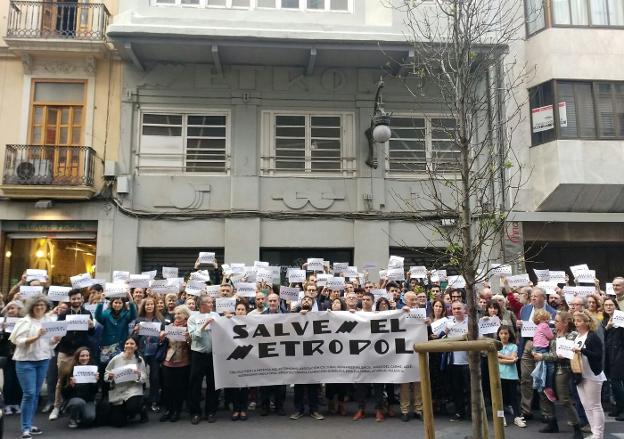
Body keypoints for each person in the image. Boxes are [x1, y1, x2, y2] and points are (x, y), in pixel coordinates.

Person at [10, 295, 61, 439]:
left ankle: (30, 424)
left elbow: (49, 343)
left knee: (35, 394)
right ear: (31, 307)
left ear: (46, 307)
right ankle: (25, 428)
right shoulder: (24, 321)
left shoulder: (49, 321)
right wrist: (36, 337)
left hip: (43, 359)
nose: (39, 307)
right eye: (37, 305)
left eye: (42, 305)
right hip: (25, 361)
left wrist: (55, 340)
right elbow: (18, 341)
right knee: (29, 394)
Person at [50, 288, 95, 421]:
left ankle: (77, 404)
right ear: (70, 300)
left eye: (78, 298)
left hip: (81, 353)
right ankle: (57, 407)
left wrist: (91, 326)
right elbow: (57, 331)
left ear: (82, 299)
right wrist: (56, 337)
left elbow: (91, 334)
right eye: (73, 299)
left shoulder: (87, 313)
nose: (76, 301)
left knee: (80, 379)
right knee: (61, 381)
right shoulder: (63, 314)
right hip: (65, 351)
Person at [535, 311, 582, 436]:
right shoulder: (553, 333)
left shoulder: (572, 335)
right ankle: (552, 423)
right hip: (549, 368)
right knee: (546, 393)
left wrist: (542, 356)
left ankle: (577, 428)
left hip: (563, 369)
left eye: (557, 321)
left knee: (564, 398)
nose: (553, 323)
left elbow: (561, 355)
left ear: (565, 323)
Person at [517, 287, 556, 421]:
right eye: (532, 296)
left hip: (543, 348)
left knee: (543, 379)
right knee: (525, 378)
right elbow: (521, 329)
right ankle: (526, 410)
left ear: (543, 298)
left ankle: (546, 412)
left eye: (536, 296)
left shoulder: (552, 312)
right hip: (528, 344)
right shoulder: (525, 309)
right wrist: (518, 325)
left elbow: (553, 333)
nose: (533, 298)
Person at [572, 309, 606, 439]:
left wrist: (582, 351)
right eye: (575, 320)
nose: (576, 323)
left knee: (595, 405)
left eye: (579, 321)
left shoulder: (592, 336)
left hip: (592, 374)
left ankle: (599, 434)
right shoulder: (577, 336)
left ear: (587, 322)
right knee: (586, 405)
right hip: (580, 374)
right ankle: (594, 432)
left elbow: (598, 355)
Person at [290, 296, 325, 421]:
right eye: (304, 300)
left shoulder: (319, 316)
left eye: (309, 300)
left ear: (313, 303)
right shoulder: (293, 316)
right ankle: (298, 410)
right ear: (300, 303)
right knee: (299, 386)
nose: (306, 301)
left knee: (313, 387)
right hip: (298, 357)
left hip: (314, 356)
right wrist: (299, 316)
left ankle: (314, 410)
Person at [352, 292, 385, 422]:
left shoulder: (379, 315)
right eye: (364, 299)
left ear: (372, 301)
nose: (365, 301)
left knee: (378, 384)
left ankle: (378, 410)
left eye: (368, 299)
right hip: (361, 355)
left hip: (376, 355)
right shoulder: (355, 315)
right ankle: (361, 409)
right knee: (361, 384)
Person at [188, 296, 220, 424]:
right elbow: (193, 337)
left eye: (212, 302)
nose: (211, 304)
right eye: (209, 302)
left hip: (214, 355)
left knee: (213, 384)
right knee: (195, 384)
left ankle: (210, 412)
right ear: (201, 305)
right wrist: (205, 325)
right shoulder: (193, 318)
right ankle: (195, 413)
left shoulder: (216, 315)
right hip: (198, 355)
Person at [105, 337, 148, 427]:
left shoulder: (139, 360)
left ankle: (141, 409)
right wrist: (110, 376)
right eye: (127, 343)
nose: (129, 345)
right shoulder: (116, 358)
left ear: (136, 347)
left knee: (132, 407)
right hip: (118, 390)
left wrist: (138, 375)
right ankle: (123, 412)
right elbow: (106, 373)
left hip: (133, 389)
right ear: (124, 346)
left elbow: (144, 377)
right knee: (118, 423)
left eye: (132, 344)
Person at [159, 305, 191, 423]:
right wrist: (161, 338)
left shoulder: (189, 328)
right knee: (167, 387)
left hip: (183, 361)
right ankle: (168, 410)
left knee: (179, 388)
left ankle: (177, 410)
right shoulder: (170, 327)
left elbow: (192, 346)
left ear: (186, 316)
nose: (177, 316)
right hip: (168, 361)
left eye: (180, 314)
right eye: (176, 314)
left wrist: (188, 338)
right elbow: (163, 344)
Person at [132, 296, 164, 413]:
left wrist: (162, 337)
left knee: (155, 378)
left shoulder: (160, 320)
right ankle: (138, 399)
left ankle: (154, 400)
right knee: (139, 376)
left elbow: (164, 338)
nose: (149, 306)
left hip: (155, 352)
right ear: (144, 307)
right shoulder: (138, 320)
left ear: (154, 306)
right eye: (147, 304)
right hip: (142, 351)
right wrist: (135, 331)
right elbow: (134, 338)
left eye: (151, 304)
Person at [259, 294, 286, 416]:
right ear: (266, 302)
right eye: (270, 301)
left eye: (274, 300)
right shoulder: (260, 317)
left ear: (278, 301)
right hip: (267, 352)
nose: (272, 303)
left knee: (280, 382)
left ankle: (279, 406)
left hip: (282, 352)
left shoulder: (288, 315)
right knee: (265, 381)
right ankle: (265, 406)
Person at [95, 292, 137, 368]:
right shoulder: (106, 314)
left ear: (123, 304)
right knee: (106, 368)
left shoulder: (126, 314)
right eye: (115, 302)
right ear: (112, 303)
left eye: (120, 303)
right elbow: (98, 316)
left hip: (120, 345)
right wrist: (101, 301)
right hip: (107, 346)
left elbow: (133, 315)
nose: (117, 305)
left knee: (119, 367)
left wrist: (130, 299)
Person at [399, 291, 423, 422]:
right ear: (405, 301)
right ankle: (404, 410)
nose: (414, 302)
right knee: (405, 384)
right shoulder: (400, 312)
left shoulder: (422, 313)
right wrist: (403, 311)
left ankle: (418, 410)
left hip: (418, 351)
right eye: (411, 300)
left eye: (415, 299)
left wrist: (427, 322)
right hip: (403, 353)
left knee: (418, 382)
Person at [496, 325, 526, 428]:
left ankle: (517, 417)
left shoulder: (514, 346)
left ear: (509, 335)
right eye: (501, 333)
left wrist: (502, 356)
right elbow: (498, 360)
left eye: (506, 333)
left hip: (512, 376)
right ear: (498, 335)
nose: (504, 336)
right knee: (500, 398)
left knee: (514, 397)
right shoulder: (495, 346)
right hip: (500, 375)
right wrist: (510, 359)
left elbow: (513, 358)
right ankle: (501, 417)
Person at [62, 347, 98, 428]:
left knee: (90, 418)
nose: (85, 358)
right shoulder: (69, 371)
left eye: (87, 356)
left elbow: (95, 392)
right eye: (82, 356)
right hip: (74, 399)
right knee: (78, 402)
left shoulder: (93, 369)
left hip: (88, 400)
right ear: (77, 357)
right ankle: (72, 418)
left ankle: (81, 415)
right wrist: (71, 386)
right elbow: (63, 394)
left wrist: (95, 382)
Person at [0, 300, 24, 415]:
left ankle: (17, 403)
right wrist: (2, 330)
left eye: (13, 308)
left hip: (20, 354)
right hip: (7, 356)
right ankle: (8, 404)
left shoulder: (24, 322)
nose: (10, 310)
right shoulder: (3, 322)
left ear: (19, 310)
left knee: (18, 380)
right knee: (8, 380)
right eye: (9, 309)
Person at [227, 300, 249, 421]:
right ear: (235, 311)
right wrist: (226, 318)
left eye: (242, 309)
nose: (240, 311)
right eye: (238, 309)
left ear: (246, 311)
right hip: (234, 356)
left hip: (247, 356)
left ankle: (243, 409)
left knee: (244, 385)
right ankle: (236, 409)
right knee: (234, 384)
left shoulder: (252, 322)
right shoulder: (229, 321)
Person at [602, 298, 624, 421]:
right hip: (608, 355)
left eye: (611, 305)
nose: (609, 307)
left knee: (617, 382)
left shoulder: (621, 319)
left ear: (615, 306)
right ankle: (619, 407)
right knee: (613, 383)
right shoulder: (604, 321)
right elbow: (601, 338)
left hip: (619, 355)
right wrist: (607, 327)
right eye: (606, 305)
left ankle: (623, 408)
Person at [531, 309, 556, 402]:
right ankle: (547, 387)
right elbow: (551, 336)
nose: (546, 320)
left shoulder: (537, 326)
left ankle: (541, 385)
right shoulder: (545, 326)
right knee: (549, 367)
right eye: (544, 319)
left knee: (541, 367)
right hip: (542, 348)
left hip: (536, 347)